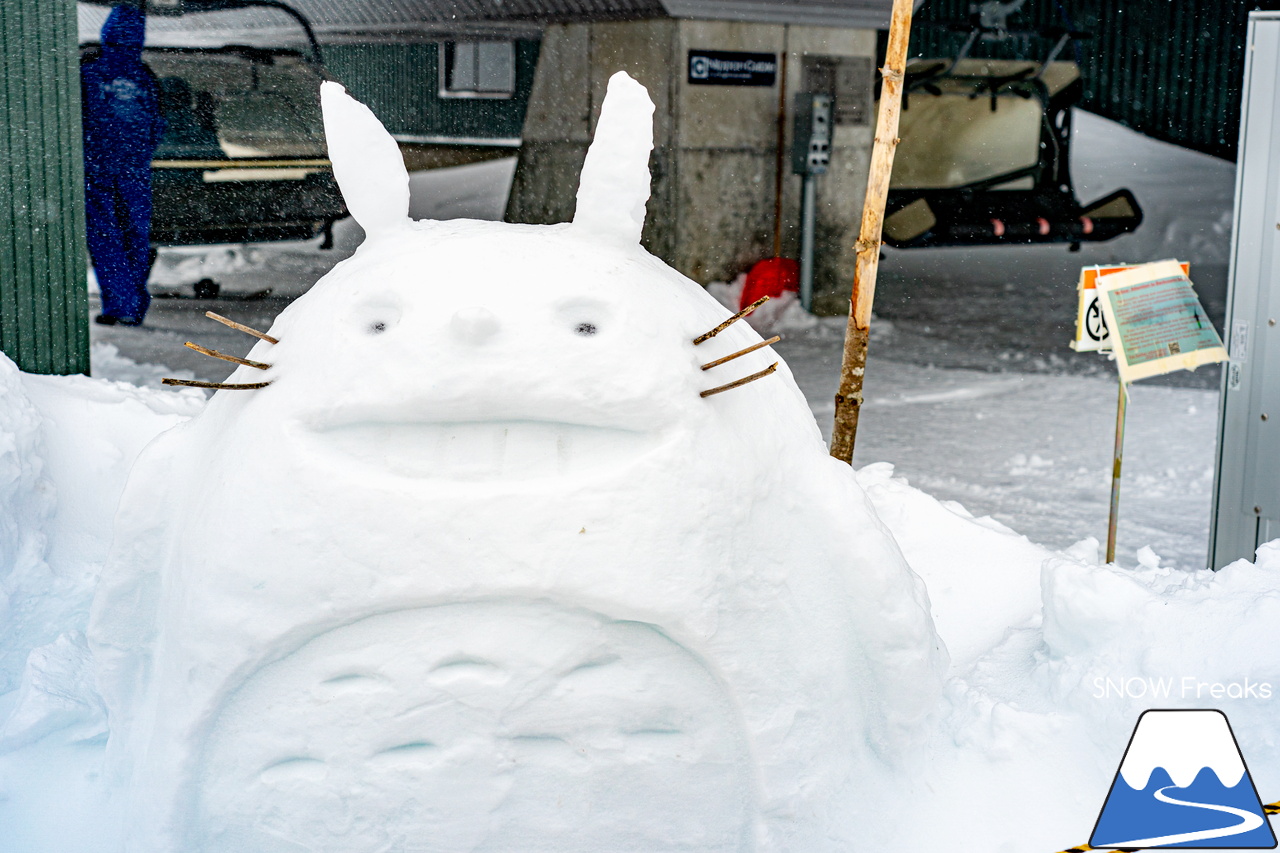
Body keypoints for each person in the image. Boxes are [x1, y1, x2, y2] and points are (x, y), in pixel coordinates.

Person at [81, 4, 165, 327]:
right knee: (135, 236)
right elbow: (158, 123)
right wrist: (139, 154)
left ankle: (120, 305)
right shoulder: (145, 77)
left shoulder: (89, 73)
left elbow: (79, 119)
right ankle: (134, 304)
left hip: (97, 168)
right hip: (135, 170)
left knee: (105, 237)